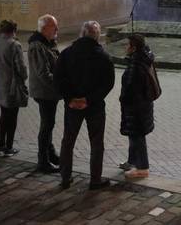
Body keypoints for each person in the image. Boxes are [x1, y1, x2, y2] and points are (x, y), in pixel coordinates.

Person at [55, 21, 115, 190]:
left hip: (72, 106)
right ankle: (95, 179)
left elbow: (59, 79)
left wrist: (70, 99)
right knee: (96, 143)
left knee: (68, 141)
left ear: (81, 34)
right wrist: (89, 99)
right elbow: (108, 84)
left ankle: (65, 178)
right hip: (95, 106)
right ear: (97, 36)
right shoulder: (103, 56)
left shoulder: (67, 54)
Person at [0, 20, 28, 157]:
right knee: (12, 116)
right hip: (12, 86)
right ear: (14, 30)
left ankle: (0, 145)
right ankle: (8, 146)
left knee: (3, 115)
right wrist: (23, 77)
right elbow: (21, 67)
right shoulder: (15, 45)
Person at [119, 34, 158, 179]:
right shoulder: (143, 59)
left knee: (137, 136)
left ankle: (142, 167)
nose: (125, 47)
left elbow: (130, 88)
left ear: (134, 48)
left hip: (136, 107)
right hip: (143, 105)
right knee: (134, 134)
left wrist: (123, 99)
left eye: (127, 45)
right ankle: (132, 161)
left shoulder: (136, 65)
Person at [28, 14, 61, 173]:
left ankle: (51, 155)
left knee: (49, 124)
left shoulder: (48, 43)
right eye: (54, 27)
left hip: (50, 92)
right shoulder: (37, 46)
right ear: (44, 28)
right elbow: (43, 73)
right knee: (46, 126)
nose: (57, 29)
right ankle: (43, 161)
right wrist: (59, 85)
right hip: (45, 92)